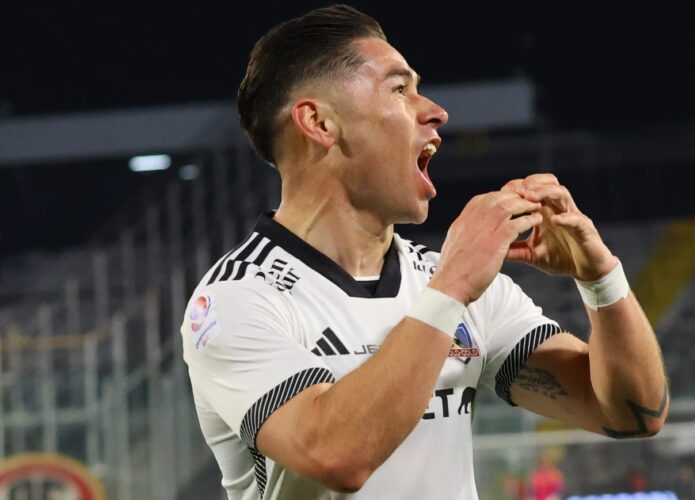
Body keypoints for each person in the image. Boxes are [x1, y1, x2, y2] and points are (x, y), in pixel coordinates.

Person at [180, 5, 669, 499]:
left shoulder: (450, 284)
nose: (435, 110)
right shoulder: (234, 302)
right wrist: (451, 287)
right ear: (319, 123)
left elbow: (632, 413)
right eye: (398, 89)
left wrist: (600, 277)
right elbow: (338, 456)